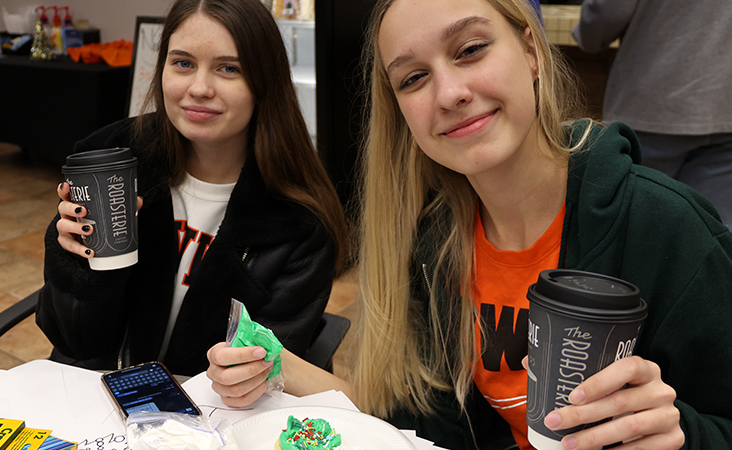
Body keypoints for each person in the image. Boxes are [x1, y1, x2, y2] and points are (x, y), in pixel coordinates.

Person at [206, 0, 732, 449]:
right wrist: (277, 368)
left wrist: (682, 432)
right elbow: (430, 427)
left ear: (530, 51)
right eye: (413, 78)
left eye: (470, 49)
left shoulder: (669, 229)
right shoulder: (432, 241)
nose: (449, 93)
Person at [36, 0, 348, 377]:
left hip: (211, 420)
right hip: (95, 397)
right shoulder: (107, 166)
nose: (199, 88)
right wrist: (75, 268)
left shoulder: (299, 219)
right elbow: (74, 343)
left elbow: (268, 376)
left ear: (264, 82)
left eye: (228, 68)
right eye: (183, 63)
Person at [572, 0, 732, 229]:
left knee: (632, 233)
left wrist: (589, 34)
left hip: (652, 103)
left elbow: (608, 11)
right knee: (714, 236)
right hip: (725, 106)